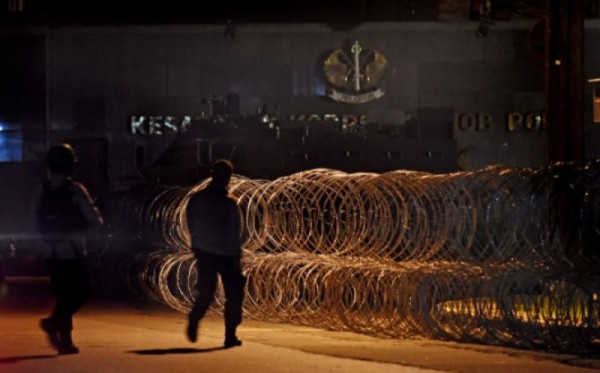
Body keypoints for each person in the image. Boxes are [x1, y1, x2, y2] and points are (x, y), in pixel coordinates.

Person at [32, 143, 103, 355]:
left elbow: (32, 221)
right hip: (71, 249)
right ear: (71, 165)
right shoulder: (75, 190)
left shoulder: (40, 191)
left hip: (49, 251)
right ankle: (52, 323)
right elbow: (94, 219)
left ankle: (65, 342)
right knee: (82, 291)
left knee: (63, 295)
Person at [186, 159, 245, 348]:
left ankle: (195, 318)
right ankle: (230, 335)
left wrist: (197, 244)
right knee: (234, 295)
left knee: (206, 292)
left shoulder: (196, 199)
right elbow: (234, 230)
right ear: (228, 178)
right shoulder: (229, 202)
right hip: (227, 254)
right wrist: (237, 255)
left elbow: (191, 224)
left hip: (204, 251)